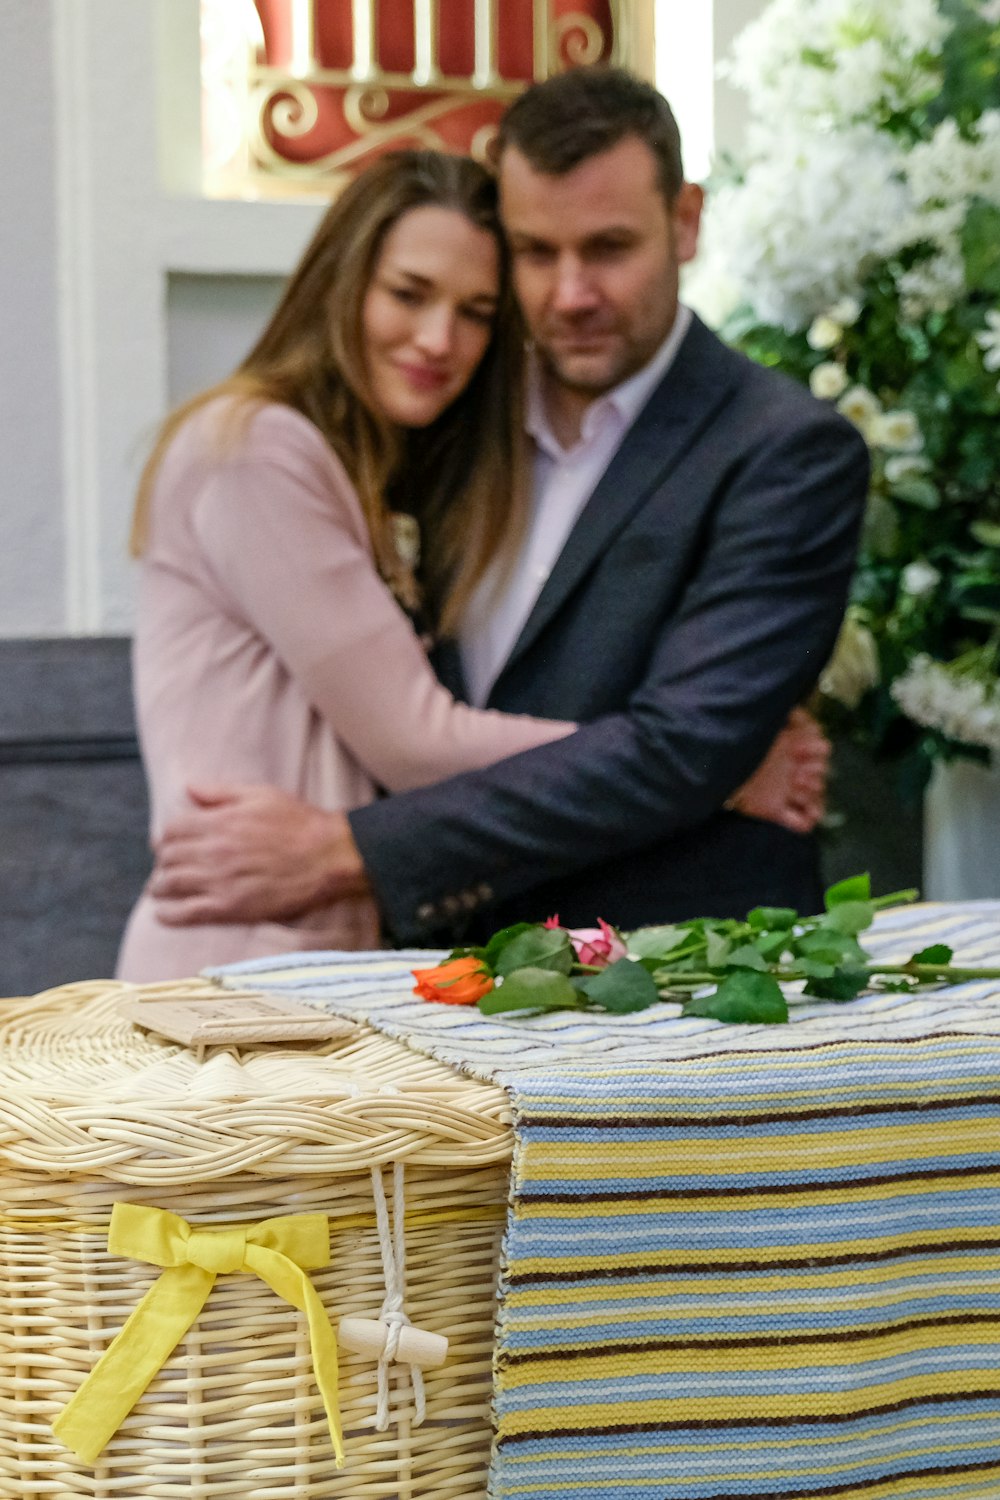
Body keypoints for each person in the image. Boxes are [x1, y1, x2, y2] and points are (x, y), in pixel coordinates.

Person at [148, 68, 867, 947]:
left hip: (674, 967)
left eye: (608, 248)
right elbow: (406, 715)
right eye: (534, 253)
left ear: (685, 222)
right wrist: (720, 772)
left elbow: (683, 746)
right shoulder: (441, 423)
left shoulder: (784, 449)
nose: (570, 294)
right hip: (428, 969)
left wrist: (353, 851)